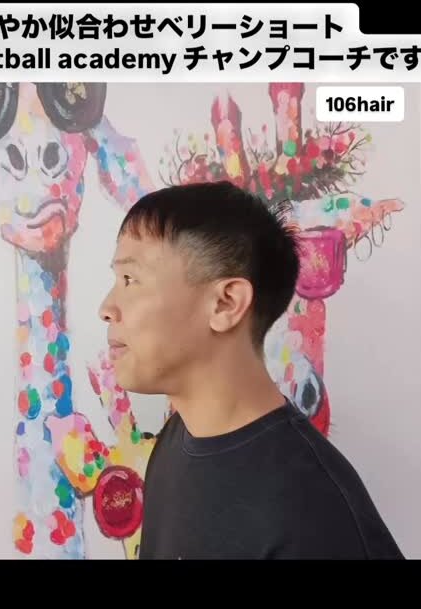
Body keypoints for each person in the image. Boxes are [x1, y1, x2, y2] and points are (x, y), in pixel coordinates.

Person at [98, 181, 404, 560]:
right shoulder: (176, 441)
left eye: (130, 280)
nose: (106, 308)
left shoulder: (313, 514)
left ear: (226, 304)